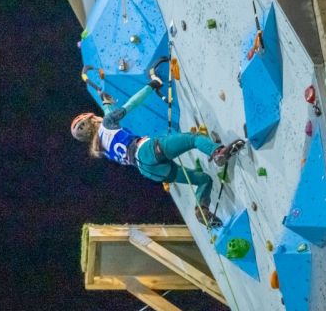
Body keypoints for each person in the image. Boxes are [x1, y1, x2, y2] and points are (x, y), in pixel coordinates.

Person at [70, 78, 244, 227]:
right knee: (194, 139)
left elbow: (108, 118)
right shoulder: (107, 122)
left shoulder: (101, 148)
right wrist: (151, 85)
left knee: (204, 180)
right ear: (93, 120)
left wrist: (106, 103)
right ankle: (218, 153)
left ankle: (202, 210)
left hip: (149, 171)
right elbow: (132, 104)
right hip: (147, 150)